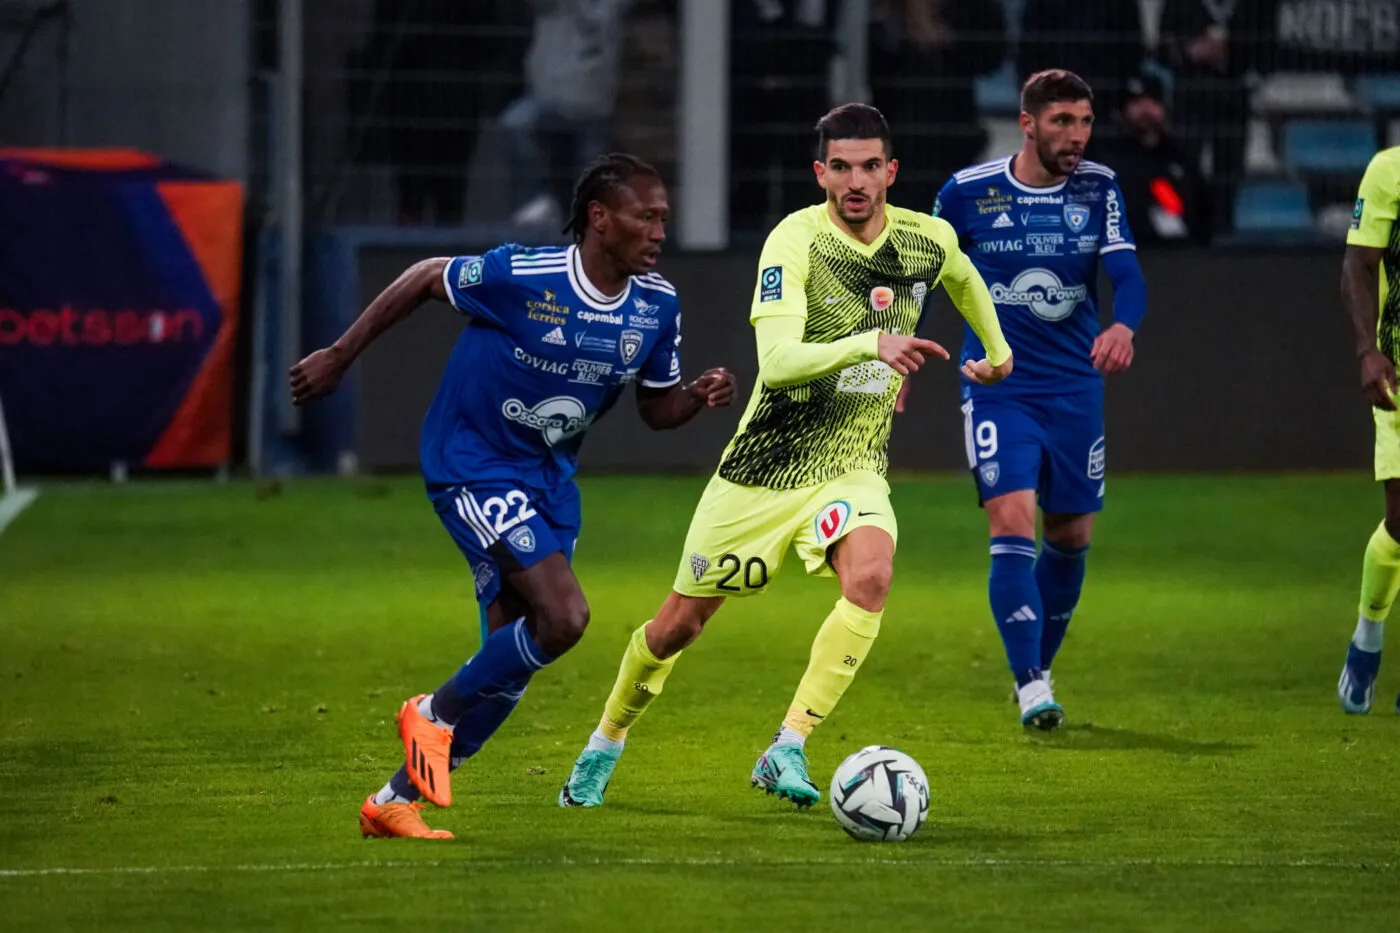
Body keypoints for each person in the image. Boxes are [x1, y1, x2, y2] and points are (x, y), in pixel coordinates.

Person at [557, 103, 1013, 810]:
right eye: (841, 166)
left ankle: (788, 744)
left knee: (872, 574)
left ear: (890, 171)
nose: (855, 180)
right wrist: (872, 344)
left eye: (869, 166)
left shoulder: (927, 238)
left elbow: (961, 275)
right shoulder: (794, 241)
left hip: (854, 462)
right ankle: (605, 741)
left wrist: (996, 347)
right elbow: (777, 361)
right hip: (766, 467)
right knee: (679, 624)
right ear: (820, 172)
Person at [288, 153, 738, 838]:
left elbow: (655, 409)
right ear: (598, 218)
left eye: (663, 219)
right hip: (471, 462)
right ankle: (431, 714)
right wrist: (340, 355)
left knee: (507, 666)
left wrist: (695, 399)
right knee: (565, 618)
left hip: (549, 482)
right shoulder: (525, 275)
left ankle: (391, 800)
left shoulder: (657, 305)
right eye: (645, 217)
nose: (658, 231)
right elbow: (421, 276)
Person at [927, 70, 1149, 729]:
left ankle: (1038, 669)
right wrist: (897, 355)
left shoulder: (1099, 187)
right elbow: (919, 273)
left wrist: (1122, 324)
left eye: (1083, 122)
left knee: (1071, 533)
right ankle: (1029, 684)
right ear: (1027, 124)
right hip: (1000, 386)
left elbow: (1127, 275)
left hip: (1076, 388)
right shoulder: (967, 193)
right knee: (1013, 520)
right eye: (1061, 122)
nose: (1075, 135)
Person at [1337, 147, 1400, 715]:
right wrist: (1368, 351)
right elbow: (1358, 265)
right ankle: (1368, 635)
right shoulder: (1389, 170)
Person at [499, 0, 634, 228]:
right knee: (515, 124)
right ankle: (536, 202)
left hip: (594, 107)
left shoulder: (612, 7)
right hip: (549, 101)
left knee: (590, 172)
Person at [868, 0, 1008, 214]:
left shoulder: (970, 12)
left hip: (951, 135)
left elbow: (992, 52)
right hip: (894, 139)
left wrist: (945, 39)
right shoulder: (878, 14)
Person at [1095, 71, 1208, 247]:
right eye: (1137, 103)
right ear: (1120, 112)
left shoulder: (1180, 158)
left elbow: (1202, 213)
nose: (1146, 109)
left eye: (1153, 101)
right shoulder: (1109, 163)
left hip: (1185, 258)